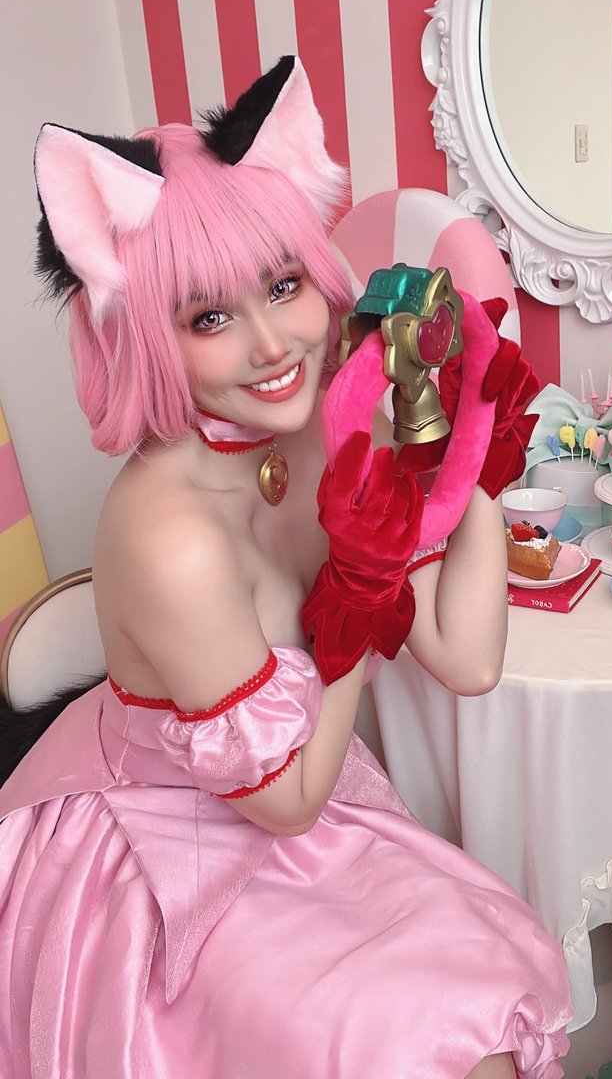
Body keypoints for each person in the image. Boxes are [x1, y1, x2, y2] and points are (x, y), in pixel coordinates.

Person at [0, 57, 573, 1078]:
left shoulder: (321, 421)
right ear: (145, 335)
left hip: (301, 791)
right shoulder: (167, 536)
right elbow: (286, 802)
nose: (273, 346)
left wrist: (474, 456)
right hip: (172, 849)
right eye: (209, 317)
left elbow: (466, 655)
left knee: (478, 1002)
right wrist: (356, 586)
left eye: (283, 286)